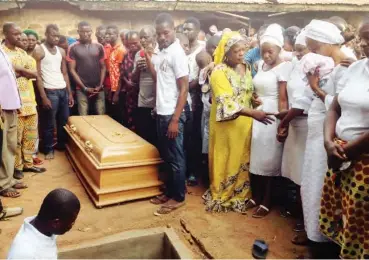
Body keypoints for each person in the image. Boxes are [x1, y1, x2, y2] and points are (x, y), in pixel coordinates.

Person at [202, 31, 274, 213]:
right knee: (226, 156)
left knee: (242, 157)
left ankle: (240, 194)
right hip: (226, 125)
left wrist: (253, 98)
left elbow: (246, 91)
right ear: (226, 52)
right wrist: (253, 112)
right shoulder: (219, 72)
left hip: (245, 124)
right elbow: (225, 102)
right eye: (236, 51)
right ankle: (222, 193)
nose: (241, 54)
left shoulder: (246, 68)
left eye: (243, 50)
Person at [295, 19, 348, 258]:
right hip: (317, 128)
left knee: (322, 182)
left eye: (315, 48)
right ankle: (313, 232)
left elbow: (341, 104)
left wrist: (316, 88)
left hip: (330, 131)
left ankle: (323, 239)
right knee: (311, 180)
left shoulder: (346, 65)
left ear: (326, 43)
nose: (313, 53)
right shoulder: (328, 64)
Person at [319, 21, 369, 259]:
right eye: (362, 38)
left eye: (368, 38)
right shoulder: (356, 68)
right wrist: (329, 143)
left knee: (363, 226)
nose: (364, 44)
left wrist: (350, 150)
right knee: (345, 219)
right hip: (339, 155)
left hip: (363, 163)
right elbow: (334, 107)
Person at [247, 24, 292, 218]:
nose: (266, 55)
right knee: (257, 158)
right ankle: (256, 196)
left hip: (273, 116)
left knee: (269, 159)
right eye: (263, 51)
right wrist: (257, 100)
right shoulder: (260, 66)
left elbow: (283, 99)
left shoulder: (285, 68)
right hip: (259, 114)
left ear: (280, 49)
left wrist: (283, 123)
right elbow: (258, 90)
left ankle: (267, 200)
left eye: (270, 52)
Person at [149, 13, 188, 215]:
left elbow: (184, 89)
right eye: (159, 33)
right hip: (162, 111)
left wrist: (175, 119)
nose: (162, 37)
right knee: (167, 155)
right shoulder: (161, 52)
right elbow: (162, 83)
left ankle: (179, 197)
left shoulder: (177, 53)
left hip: (174, 114)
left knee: (176, 157)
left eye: (166, 32)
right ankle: (170, 191)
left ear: (174, 30)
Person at [276, 30, 310, 244]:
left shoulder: (317, 67)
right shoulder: (295, 65)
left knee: (305, 174)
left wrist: (284, 121)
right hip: (293, 121)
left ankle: (307, 221)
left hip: (306, 124)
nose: (297, 54)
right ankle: (299, 214)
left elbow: (302, 104)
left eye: (302, 50)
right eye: (296, 50)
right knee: (295, 173)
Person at [2, 23, 46, 180]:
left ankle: (28, 164)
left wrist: (21, 70)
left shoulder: (22, 52)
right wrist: (21, 71)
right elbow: (9, 73)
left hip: (30, 102)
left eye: (20, 34)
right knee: (16, 139)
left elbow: (35, 73)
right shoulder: (3, 54)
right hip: (15, 104)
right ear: (5, 34)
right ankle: (17, 167)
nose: (20, 37)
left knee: (30, 136)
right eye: (16, 34)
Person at [33, 24, 73, 160]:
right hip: (50, 91)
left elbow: (65, 73)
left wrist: (70, 93)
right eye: (52, 35)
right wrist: (43, 97)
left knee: (63, 121)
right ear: (46, 34)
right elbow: (37, 75)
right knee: (49, 123)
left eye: (57, 36)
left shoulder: (61, 51)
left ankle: (61, 145)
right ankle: (49, 148)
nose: (56, 38)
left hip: (62, 90)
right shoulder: (39, 50)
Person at [7, 188, 81, 259]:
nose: (72, 225)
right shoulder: (25, 254)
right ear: (56, 223)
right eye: (71, 222)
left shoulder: (45, 225)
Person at [0, 38, 28, 198]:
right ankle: (3, 184)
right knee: (4, 147)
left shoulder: (2, 51)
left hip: (11, 107)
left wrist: (17, 102)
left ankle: (8, 179)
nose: (19, 37)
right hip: (2, 108)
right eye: (16, 34)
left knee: (11, 145)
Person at [183, 17, 205, 186]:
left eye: (189, 29)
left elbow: (202, 75)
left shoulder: (202, 50)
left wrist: (188, 85)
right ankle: (183, 168)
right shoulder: (180, 48)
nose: (186, 32)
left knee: (193, 136)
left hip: (196, 99)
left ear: (198, 31)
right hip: (182, 97)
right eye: (184, 29)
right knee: (183, 136)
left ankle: (193, 171)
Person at [67, 21, 106, 116]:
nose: (85, 34)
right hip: (81, 89)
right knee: (83, 118)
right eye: (82, 31)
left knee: (102, 116)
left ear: (91, 31)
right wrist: (84, 87)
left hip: (98, 88)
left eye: (88, 31)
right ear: (78, 31)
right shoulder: (73, 47)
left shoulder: (99, 46)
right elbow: (72, 70)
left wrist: (100, 85)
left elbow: (103, 67)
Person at [132, 26, 157, 145]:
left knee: (156, 136)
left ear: (154, 37)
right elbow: (134, 79)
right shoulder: (139, 54)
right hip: (143, 100)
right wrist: (138, 68)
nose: (142, 40)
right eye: (140, 37)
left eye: (145, 37)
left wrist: (150, 64)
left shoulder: (160, 53)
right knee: (144, 135)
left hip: (158, 102)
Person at [115, 31, 141, 130]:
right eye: (130, 43)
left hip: (142, 95)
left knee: (141, 120)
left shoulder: (144, 55)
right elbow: (122, 74)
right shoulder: (126, 55)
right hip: (129, 94)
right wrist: (127, 82)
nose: (133, 46)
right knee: (129, 120)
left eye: (135, 43)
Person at [105, 25, 125, 118]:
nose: (107, 36)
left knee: (119, 117)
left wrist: (116, 93)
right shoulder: (112, 50)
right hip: (113, 89)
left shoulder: (120, 50)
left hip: (120, 90)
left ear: (117, 35)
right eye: (106, 34)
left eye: (110, 34)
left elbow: (121, 74)